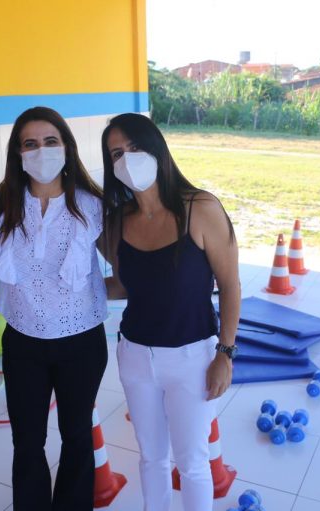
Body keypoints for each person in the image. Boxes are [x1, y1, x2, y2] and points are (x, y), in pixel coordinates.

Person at [100, 113, 240, 511]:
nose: (127, 159)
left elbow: (230, 285)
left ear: (157, 147)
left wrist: (225, 354)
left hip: (192, 359)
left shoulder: (200, 208)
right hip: (135, 357)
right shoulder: (117, 222)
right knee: (151, 458)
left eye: (135, 147)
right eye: (117, 153)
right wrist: (71, 292)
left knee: (192, 463)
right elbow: (126, 284)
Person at [0, 106, 108, 511]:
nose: (41, 151)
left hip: (82, 341)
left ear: (67, 147)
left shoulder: (92, 204)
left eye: (50, 141)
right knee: (27, 441)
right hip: (23, 342)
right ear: (17, 153)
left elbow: (124, 265)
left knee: (77, 436)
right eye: (30, 144)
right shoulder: (0, 203)